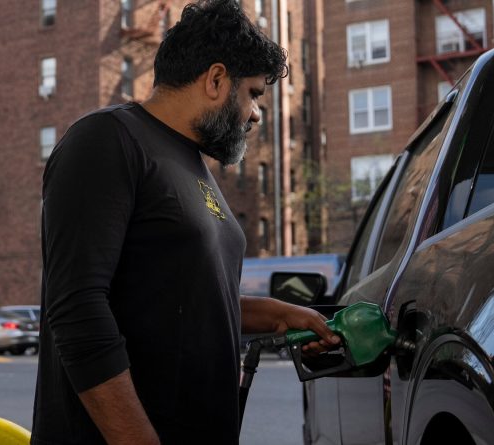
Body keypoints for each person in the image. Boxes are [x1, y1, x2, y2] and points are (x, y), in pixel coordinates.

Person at [31, 1, 340, 443]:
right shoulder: (106, 140)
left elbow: (178, 301)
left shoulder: (193, 163)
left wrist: (275, 315)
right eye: (253, 94)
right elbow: (78, 309)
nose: (256, 113)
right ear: (215, 80)